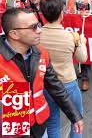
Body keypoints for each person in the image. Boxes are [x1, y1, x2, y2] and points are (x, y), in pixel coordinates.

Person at [0, 8, 84, 137]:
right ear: (14, 34)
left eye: (38, 24)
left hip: (40, 126)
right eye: (34, 27)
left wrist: (75, 116)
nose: (40, 30)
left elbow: (55, 86)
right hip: (13, 130)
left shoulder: (41, 52)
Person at [39, 0, 88, 138]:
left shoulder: (37, 35)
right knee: (76, 118)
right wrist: (82, 42)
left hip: (46, 85)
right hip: (68, 84)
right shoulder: (71, 36)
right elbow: (82, 58)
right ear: (62, 13)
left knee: (52, 121)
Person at [55, 0, 92, 91]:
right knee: (69, 54)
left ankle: (85, 78)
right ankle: (71, 76)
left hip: (84, 32)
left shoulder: (90, 0)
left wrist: (89, 15)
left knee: (83, 54)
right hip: (69, 32)